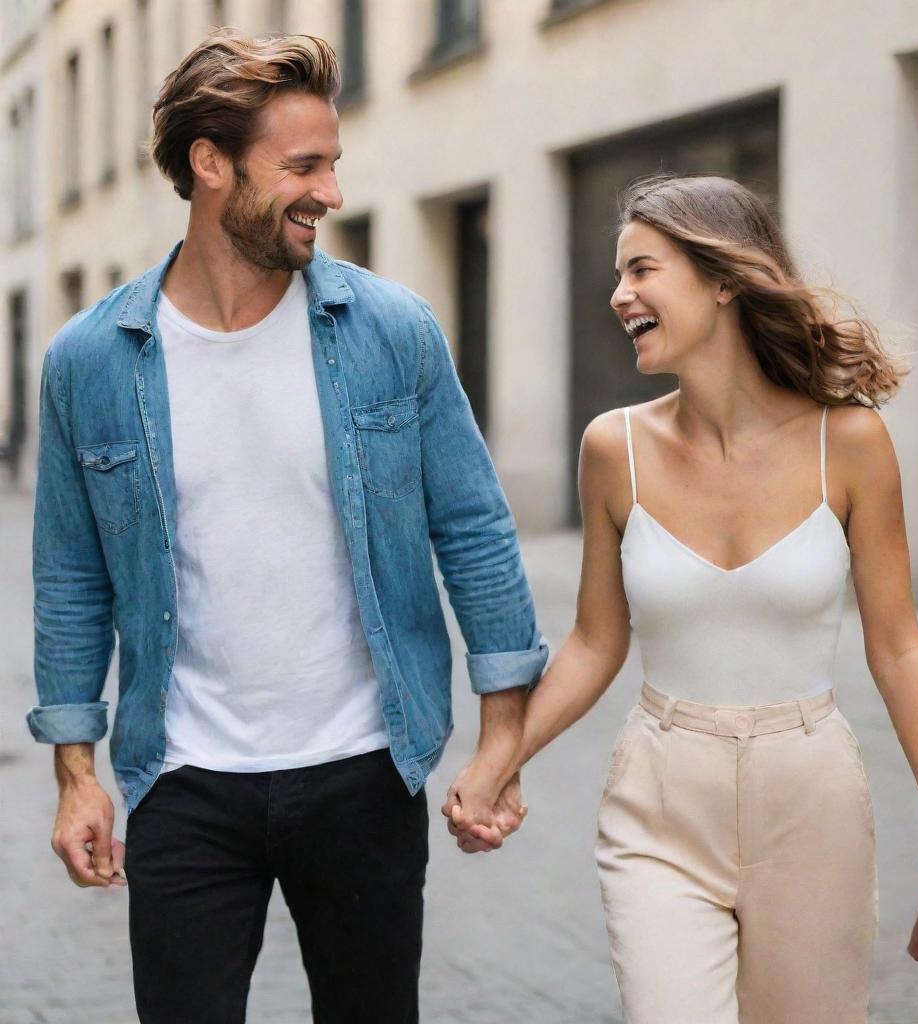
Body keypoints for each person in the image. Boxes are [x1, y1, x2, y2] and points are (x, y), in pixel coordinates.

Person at [28, 29, 546, 1024]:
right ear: (210, 165)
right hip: (183, 779)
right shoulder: (91, 360)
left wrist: (500, 742)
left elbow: (475, 532)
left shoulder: (392, 332)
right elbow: (70, 576)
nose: (330, 192)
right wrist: (76, 771)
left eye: (333, 164)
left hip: (363, 767)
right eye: (304, 166)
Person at [444, 175, 918, 1023]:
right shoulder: (613, 448)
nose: (620, 294)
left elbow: (899, 646)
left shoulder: (848, 443)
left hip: (812, 800)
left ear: (724, 278)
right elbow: (594, 642)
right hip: (660, 796)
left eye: (643, 269)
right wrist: (500, 758)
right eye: (619, 275)